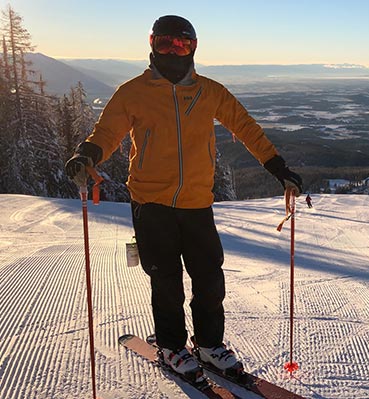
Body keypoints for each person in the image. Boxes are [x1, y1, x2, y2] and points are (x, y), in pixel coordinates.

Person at [64, 15, 302, 380]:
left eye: (182, 45)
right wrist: (88, 154)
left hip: (196, 202)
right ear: (152, 45)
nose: (174, 51)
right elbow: (107, 131)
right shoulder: (133, 92)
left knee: (209, 277)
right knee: (166, 280)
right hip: (150, 202)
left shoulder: (210, 92)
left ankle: (208, 345)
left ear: (193, 48)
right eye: (166, 44)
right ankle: (172, 347)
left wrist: (278, 167)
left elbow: (246, 127)